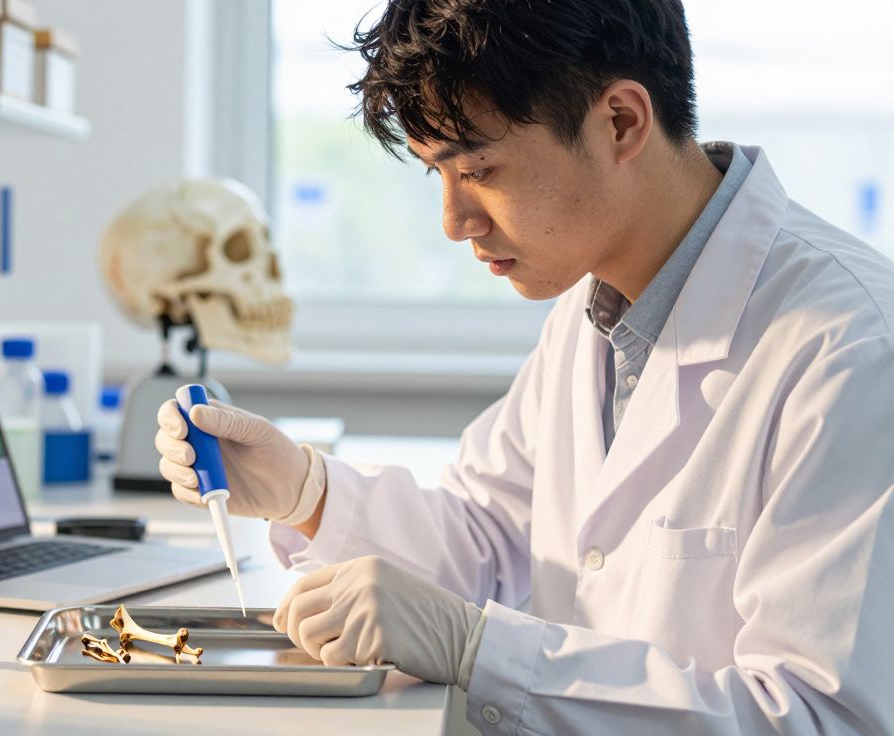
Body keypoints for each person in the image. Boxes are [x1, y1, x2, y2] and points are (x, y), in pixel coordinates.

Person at [155, 0, 894, 732]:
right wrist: (303, 489)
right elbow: (486, 536)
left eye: (479, 168)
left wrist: (483, 653)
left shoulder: (851, 349)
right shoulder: (596, 306)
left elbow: (820, 717)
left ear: (621, 122)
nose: (455, 223)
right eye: (437, 174)